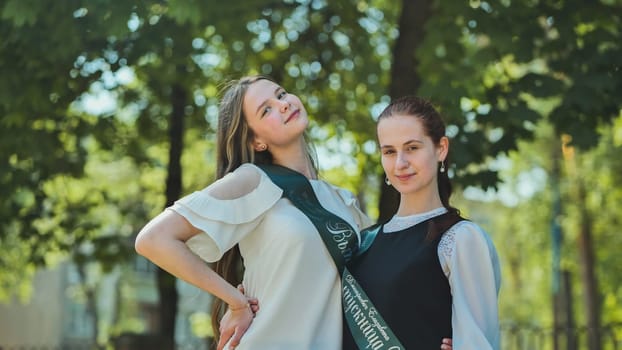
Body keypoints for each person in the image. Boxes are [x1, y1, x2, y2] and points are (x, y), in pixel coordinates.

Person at [135, 75, 373, 350]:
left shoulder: (341, 201)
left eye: (281, 95)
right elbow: (153, 240)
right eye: (266, 109)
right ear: (256, 141)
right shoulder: (254, 180)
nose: (283, 104)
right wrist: (235, 303)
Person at [342, 96, 501, 349]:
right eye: (389, 151)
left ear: (441, 148)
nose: (400, 163)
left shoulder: (460, 238)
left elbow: (479, 341)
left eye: (412, 148)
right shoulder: (365, 241)